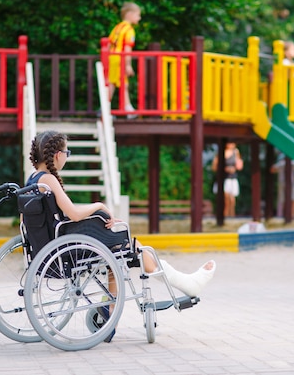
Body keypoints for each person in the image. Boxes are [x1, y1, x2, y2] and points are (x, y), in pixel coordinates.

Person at [26, 130, 216, 340]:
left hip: (56, 248)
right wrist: (99, 206)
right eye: (67, 152)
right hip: (69, 249)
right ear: (57, 155)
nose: (66, 157)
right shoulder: (49, 180)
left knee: (118, 254)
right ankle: (186, 283)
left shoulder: (33, 179)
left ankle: (110, 314)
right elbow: (73, 213)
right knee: (131, 247)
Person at [107, 2, 141, 116]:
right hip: (120, 58)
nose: (139, 18)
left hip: (112, 57)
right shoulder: (129, 30)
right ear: (130, 14)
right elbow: (127, 48)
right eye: (138, 15)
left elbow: (109, 44)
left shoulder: (117, 27)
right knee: (112, 83)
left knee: (121, 83)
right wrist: (128, 64)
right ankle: (104, 108)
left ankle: (128, 108)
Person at [211, 142, 243, 217]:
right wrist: (225, 169)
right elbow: (214, 167)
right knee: (225, 200)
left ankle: (231, 216)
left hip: (232, 178)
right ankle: (224, 216)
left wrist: (234, 168)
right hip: (223, 179)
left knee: (232, 200)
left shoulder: (236, 152)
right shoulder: (220, 152)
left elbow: (239, 166)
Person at [270, 153, 294, 221]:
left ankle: (288, 215)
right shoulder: (292, 162)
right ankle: (292, 215)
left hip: (282, 183)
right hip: (290, 183)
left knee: (284, 199)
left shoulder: (280, 163)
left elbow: (272, 170)